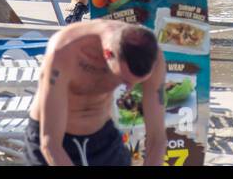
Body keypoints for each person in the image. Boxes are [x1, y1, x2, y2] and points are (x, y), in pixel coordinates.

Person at [26, 21, 165, 166]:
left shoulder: (153, 57)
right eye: (123, 80)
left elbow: (157, 138)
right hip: (53, 140)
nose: (129, 87)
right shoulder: (64, 51)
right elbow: (50, 144)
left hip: (101, 138)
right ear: (108, 54)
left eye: (138, 83)